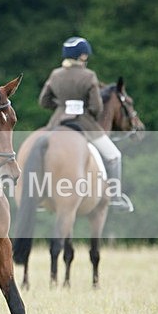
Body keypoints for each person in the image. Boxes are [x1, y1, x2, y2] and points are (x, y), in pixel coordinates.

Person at [38, 36, 132, 211]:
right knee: (114, 156)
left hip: (58, 121)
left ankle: (41, 195)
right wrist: (86, 111)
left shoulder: (55, 74)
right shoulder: (89, 76)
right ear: (81, 56)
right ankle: (115, 197)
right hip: (85, 124)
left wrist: (62, 107)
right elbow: (97, 107)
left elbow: (44, 101)